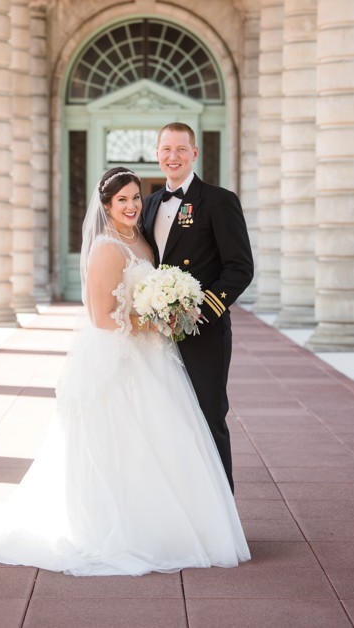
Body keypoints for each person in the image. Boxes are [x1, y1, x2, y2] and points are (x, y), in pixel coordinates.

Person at [0, 167, 251, 575]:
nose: (131, 206)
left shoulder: (142, 240)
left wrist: (164, 312)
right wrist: (155, 321)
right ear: (106, 206)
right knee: (127, 441)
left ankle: (176, 523)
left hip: (156, 357)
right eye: (122, 200)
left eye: (134, 198)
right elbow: (101, 318)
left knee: (171, 437)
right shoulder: (107, 249)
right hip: (123, 359)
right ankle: (124, 529)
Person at [139, 122, 253, 495]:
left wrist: (201, 307)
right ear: (157, 154)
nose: (173, 157)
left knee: (208, 416)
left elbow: (239, 267)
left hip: (203, 329)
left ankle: (221, 512)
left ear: (194, 154)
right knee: (168, 418)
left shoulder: (219, 201)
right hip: (159, 332)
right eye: (166, 149)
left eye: (181, 150)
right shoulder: (150, 204)